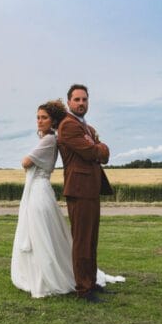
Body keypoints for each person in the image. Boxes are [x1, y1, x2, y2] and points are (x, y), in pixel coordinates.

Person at [11, 99, 124, 299]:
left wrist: (96, 144)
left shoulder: (51, 138)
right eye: (37, 117)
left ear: (52, 119)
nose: (39, 121)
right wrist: (93, 139)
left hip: (43, 191)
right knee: (61, 237)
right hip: (51, 190)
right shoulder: (60, 132)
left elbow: (26, 162)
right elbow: (88, 145)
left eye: (44, 118)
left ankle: (78, 281)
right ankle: (82, 282)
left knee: (52, 236)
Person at [57, 84, 115, 302]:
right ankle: (83, 288)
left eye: (84, 100)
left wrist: (100, 149)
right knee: (82, 240)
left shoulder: (87, 128)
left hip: (91, 189)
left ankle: (91, 281)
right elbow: (93, 151)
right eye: (77, 100)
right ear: (69, 102)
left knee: (91, 239)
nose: (81, 103)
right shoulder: (68, 125)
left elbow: (101, 152)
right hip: (79, 190)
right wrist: (100, 148)